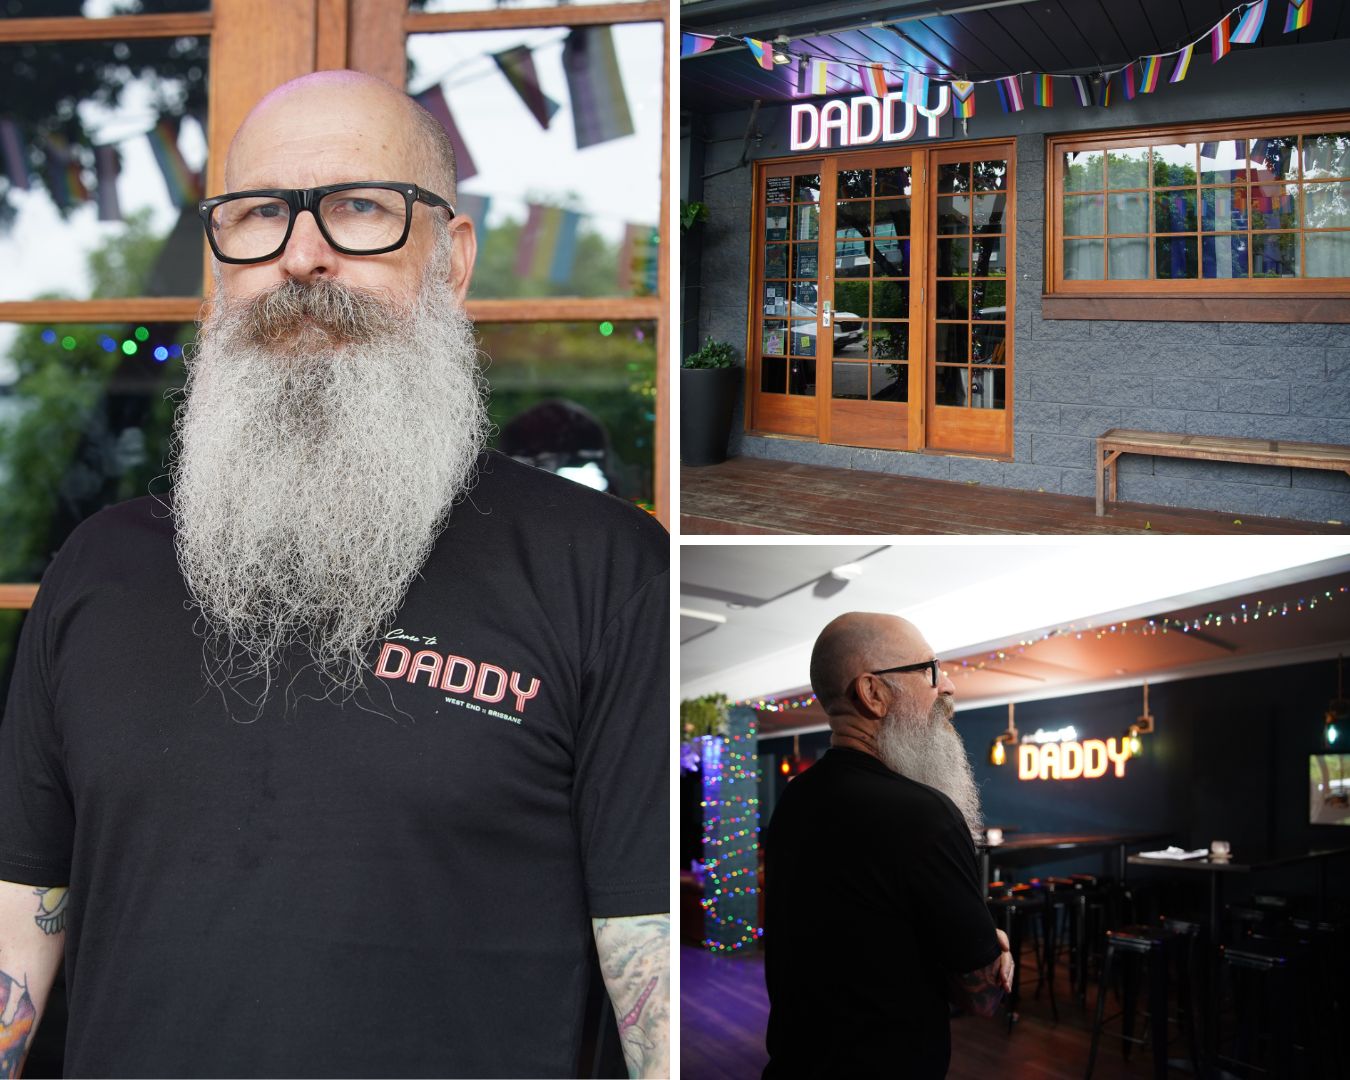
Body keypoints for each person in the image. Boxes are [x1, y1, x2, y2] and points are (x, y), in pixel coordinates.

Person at [0, 70, 668, 1078]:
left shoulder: (605, 569)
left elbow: (652, 986)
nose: (302, 255)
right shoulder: (98, 568)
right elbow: (17, 925)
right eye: (261, 214)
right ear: (222, 260)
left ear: (451, 258)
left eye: (360, 207)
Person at [762, 612, 1012, 1079]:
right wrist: (994, 952)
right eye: (930, 671)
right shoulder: (925, 814)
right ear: (872, 693)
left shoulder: (795, 798)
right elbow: (982, 993)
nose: (949, 686)